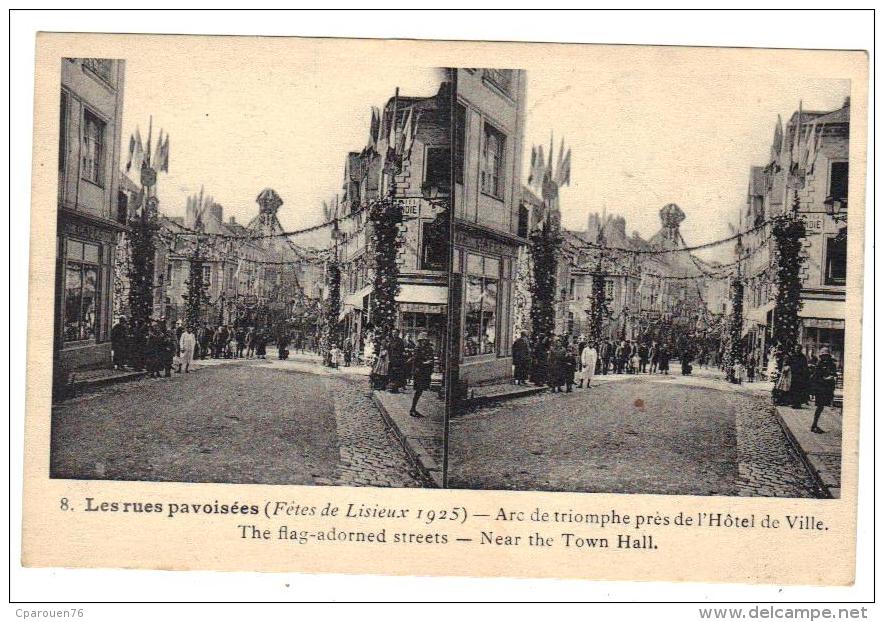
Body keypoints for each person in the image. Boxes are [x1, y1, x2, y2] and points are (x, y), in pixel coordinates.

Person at [810, 348, 838, 433]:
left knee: (821, 407)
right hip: (820, 388)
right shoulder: (819, 365)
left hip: (827, 389)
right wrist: (825, 378)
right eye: (823, 356)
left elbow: (834, 373)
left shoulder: (832, 365)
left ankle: (814, 425)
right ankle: (814, 425)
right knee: (819, 407)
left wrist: (833, 376)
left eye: (826, 356)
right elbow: (815, 377)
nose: (825, 357)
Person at [409, 332, 435, 417]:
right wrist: (425, 362)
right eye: (422, 340)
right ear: (420, 341)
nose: (424, 342)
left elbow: (431, 358)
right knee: (418, 390)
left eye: (425, 340)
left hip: (426, 372)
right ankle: (412, 409)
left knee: (420, 391)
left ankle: (413, 409)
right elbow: (416, 361)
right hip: (419, 372)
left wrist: (430, 364)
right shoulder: (417, 348)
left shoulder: (429, 348)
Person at [786, 344, 810, 409]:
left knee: (799, 390)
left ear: (800, 349)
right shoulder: (792, 356)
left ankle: (798, 403)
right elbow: (788, 363)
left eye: (798, 348)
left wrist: (805, 374)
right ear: (794, 349)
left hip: (800, 376)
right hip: (793, 375)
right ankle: (793, 402)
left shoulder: (803, 357)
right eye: (796, 348)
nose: (797, 350)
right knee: (793, 389)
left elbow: (805, 366)